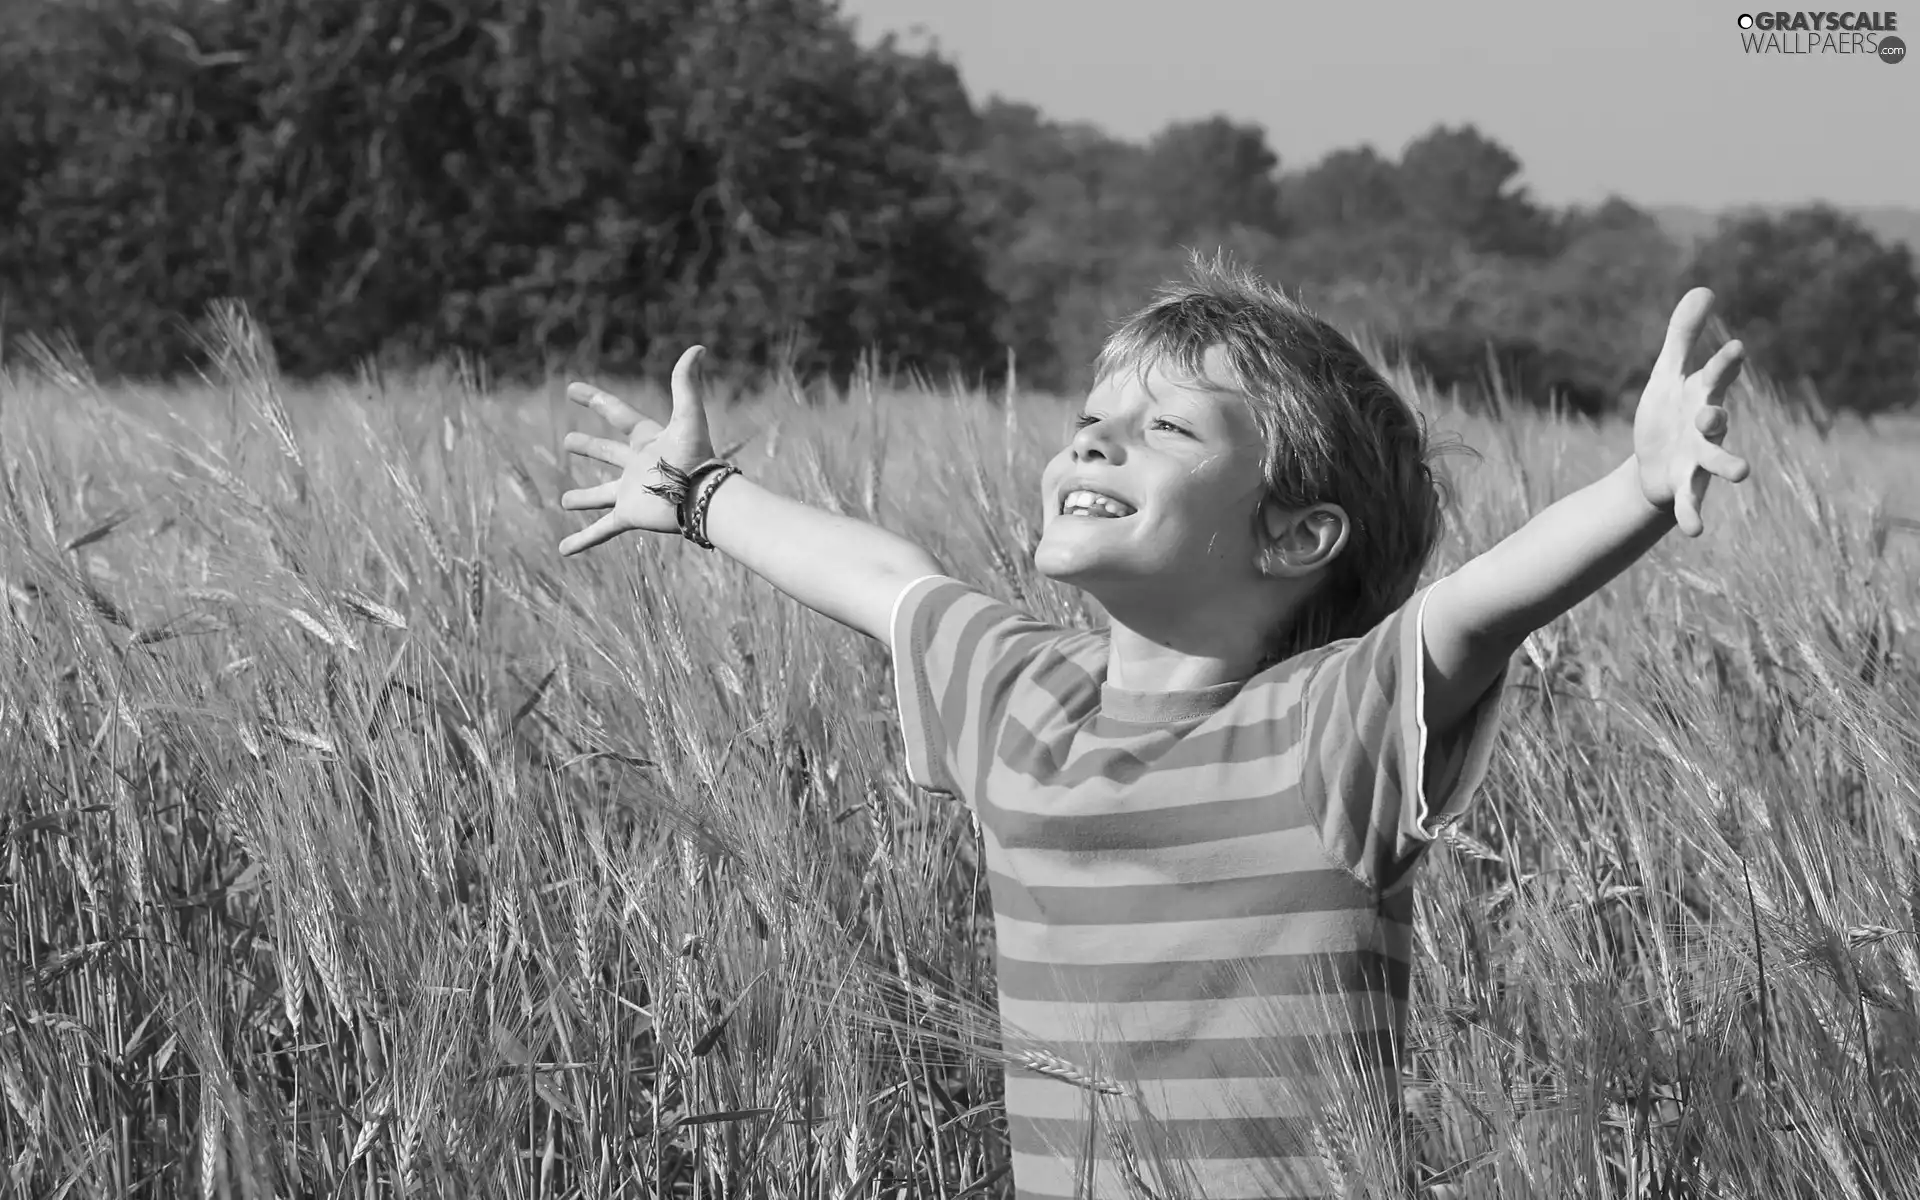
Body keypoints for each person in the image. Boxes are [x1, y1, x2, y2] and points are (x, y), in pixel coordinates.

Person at [556, 256, 1751, 1199]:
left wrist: (1640, 488)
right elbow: (881, 578)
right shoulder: (1023, 694)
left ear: (1296, 536)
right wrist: (704, 499)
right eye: (1092, 419)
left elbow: (1482, 608)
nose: (1091, 441)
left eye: (1168, 431)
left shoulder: (1330, 725)